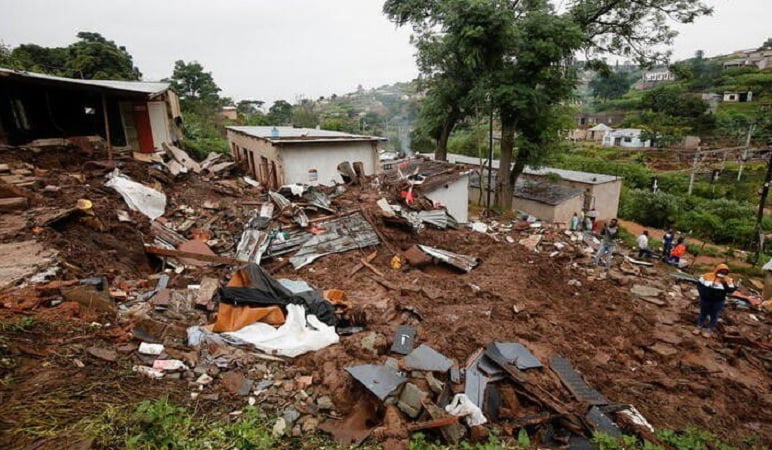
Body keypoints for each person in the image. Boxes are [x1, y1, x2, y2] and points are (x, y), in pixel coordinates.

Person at [693, 264, 736, 338]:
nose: (723, 273)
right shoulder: (707, 276)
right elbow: (699, 285)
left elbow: (731, 290)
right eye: (721, 271)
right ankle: (698, 327)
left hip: (718, 301)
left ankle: (709, 330)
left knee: (714, 315)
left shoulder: (728, 280)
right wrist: (702, 294)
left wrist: (726, 282)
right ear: (717, 270)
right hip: (705, 299)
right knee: (703, 313)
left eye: (725, 272)